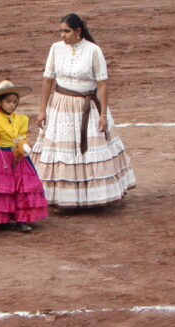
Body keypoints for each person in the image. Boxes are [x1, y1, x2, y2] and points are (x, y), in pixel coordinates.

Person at [32, 13, 136, 209]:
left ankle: (92, 197)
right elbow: (48, 80)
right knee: (61, 151)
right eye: (61, 31)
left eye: (66, 31)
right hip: (60, 106)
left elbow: (103, 85)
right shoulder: (56, 49)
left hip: (86, 108)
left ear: (78, 31)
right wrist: (42, 109)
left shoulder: (93, 51)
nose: (62, 35)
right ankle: (63, 198)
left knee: (88, 151)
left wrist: (103, 114)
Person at [0, 80, 48, 232]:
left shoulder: (20, 119)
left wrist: (24, 146)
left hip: (19, 156)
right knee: (3, 190)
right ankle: (2, 220)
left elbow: (23, 136)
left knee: (21, 188)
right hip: (1, 157)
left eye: (14, 102)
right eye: (8, 101)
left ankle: (21, 219)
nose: (12, 105)